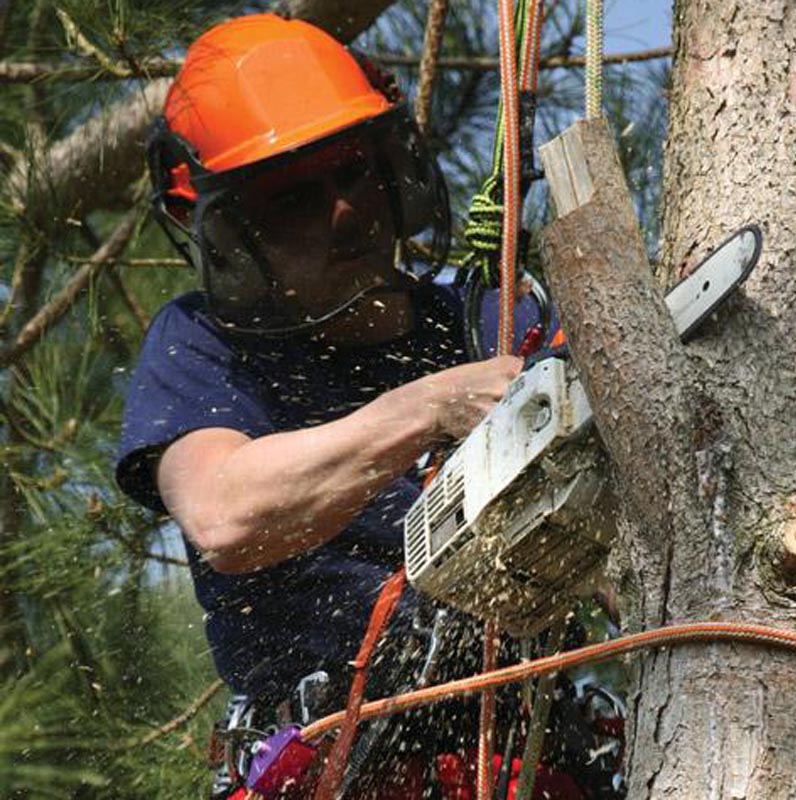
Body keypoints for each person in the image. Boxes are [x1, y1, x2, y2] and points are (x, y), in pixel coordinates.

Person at [115, 13, 617, 800]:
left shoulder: (489, 322)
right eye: (293, 200)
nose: (343, 212)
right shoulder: (205, 347)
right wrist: (425, 409)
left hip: (528, 758)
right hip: (331, 764)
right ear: (229, 232)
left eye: (353, 172)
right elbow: (225, 518)